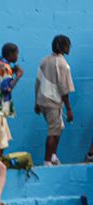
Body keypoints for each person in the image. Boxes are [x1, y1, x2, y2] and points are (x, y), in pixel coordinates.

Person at [35, 35, 75, 166]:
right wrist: (69, 109)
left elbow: (38, 82)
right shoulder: (63, 64)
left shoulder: (44, 60)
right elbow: (64, 89)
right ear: (63, 47)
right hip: (53, 102)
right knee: (53, 131)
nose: (69, 48)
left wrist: (36, 102)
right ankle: (47, 161)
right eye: (68, 45)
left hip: (42, 101)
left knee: (59, 127)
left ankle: (53, 156)